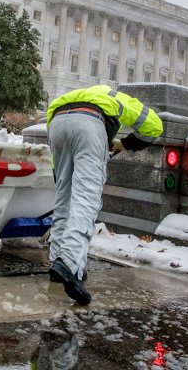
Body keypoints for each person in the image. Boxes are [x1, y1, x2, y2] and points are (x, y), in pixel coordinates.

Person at [45, 85, 163, 304]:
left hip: (57, 124)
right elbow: (154, 125)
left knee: (64, 202)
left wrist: (59, 175)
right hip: (90, 124)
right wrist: (125, 143)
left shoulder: (66, 98)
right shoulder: (111, 95)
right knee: (86, 201)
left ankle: (59, 263)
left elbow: (59, 170)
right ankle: (69, 264)